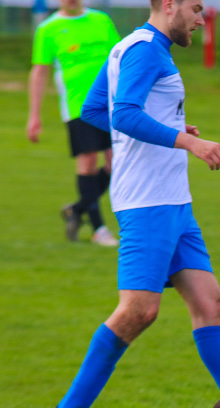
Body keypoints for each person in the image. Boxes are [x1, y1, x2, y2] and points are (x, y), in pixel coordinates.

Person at [39, 0, 220, 408]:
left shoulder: (131, 45)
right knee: (138, 311)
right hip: (147, 203)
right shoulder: (146, 50)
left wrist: (168, 125)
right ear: (168, 5)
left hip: (174, 202)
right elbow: (122, 114)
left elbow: (95, 109)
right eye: (194, 8)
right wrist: (188, 139)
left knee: (211, 306)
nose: (200, 18)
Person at [27, 0, 120, 246]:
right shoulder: (49, 28)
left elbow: (120, 58)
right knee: (88, 161)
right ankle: (99, 228)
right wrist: (34, 115)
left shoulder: (101, 20)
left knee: (116, 161)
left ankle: (77, 209)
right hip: (79, 107)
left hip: (111, 104)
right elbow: (40, 71)